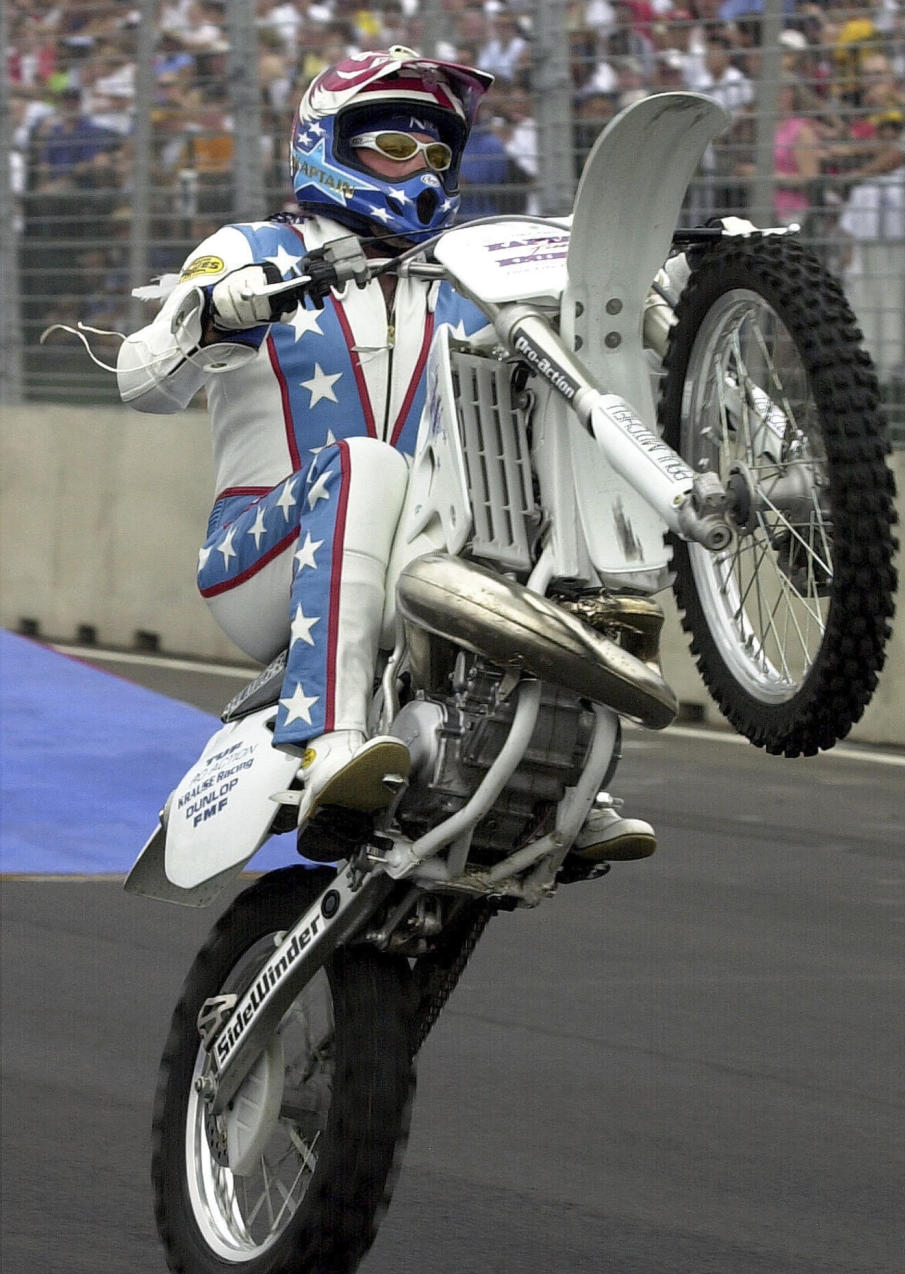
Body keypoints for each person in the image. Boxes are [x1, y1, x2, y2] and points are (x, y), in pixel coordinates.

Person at [116, 45, 656, 865]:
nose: (420, 169)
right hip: (259, 553)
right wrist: (208, 314)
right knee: (360, 461)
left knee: (537, 451)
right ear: (327, 143)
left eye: (436, 152)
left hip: (412, 549)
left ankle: (566, 766)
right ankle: (328, 744)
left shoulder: (461, 273)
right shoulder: (254, 246)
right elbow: (140, 380)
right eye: (394, 147)